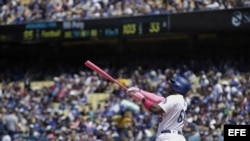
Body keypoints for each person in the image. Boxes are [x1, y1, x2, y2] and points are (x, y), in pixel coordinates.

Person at [127, 76, 191, 141]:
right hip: (178, 137)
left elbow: (155, 109)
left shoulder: (174, 98)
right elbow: (157, 99)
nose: (169, 85)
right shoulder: (181, 100)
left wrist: (142, 99)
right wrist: (140, 91)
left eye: (172, 84)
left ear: (177, 86)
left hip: (168, 137)